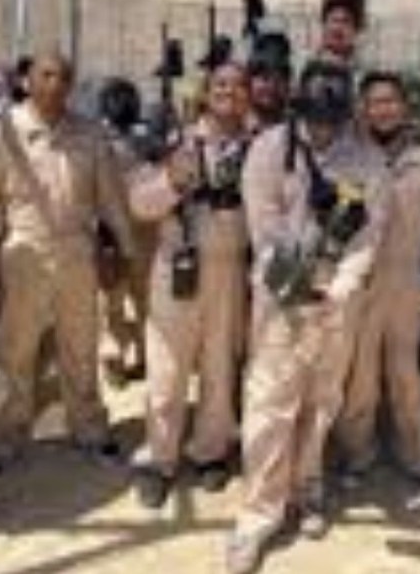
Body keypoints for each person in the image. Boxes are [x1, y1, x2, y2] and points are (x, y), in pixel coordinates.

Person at [226, 60, 387, 574]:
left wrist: (340, 286)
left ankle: (307, 485)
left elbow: (369, 233)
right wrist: (298, 288)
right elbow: (263, 230)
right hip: (282, 299)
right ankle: (258, 516)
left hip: (337, 302)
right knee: (270, 406)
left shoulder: (367, 159)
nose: (322, 129)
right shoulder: (270, 150)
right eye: (314, 117)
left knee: (321, 400)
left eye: (332, 119)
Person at [0, 53, 134, 468]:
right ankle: (8, 436)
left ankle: (89, 428)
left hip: (77, 250)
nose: (55, 84)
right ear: (27, 79)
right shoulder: (0, 134)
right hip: (24, 251)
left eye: (64, 77)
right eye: (46, 75)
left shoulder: (89, 135)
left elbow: (111, 197)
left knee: (80, 346)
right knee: (16, 350)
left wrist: (125, 251)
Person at [128, 61, 253, 507]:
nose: (230, 93)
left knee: (221, 366)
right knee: (166, 370)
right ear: (206, 91)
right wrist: (172, 181)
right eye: (221, 84)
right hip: (178, 268)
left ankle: (210, 450)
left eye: (239, 86)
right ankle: (159, 459)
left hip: (232, 271)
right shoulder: (174, 141)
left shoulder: (261, 146)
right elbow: (139, 204)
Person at [335, 71, 420, 504]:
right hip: (359, 284)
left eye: (391, 101)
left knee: (409, 378)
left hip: (408, 284)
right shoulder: (348, 159)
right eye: (374, 101)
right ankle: (358, 453)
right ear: (362, 108)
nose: (383, 109)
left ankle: (418, 456)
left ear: (404, 107)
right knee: (359, 380)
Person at [95, 77, 158, 386]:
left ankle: (116, 362)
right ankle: (145, 359)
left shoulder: (98, 142)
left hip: (111, 234)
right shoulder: (146, 140)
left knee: (112, 305)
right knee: (144, 302)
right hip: (143, 232)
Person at [314, 0, 366, 70]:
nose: (338, 28)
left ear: (356, 29)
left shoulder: (363, 68)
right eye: (334, 20)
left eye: (345, 22)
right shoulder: (308, 63)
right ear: (324, 24)